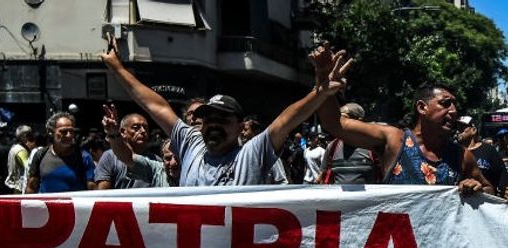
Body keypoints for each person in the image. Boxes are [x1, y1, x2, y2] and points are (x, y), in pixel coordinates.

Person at [101, 36, 339, 186]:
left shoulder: (251, 155)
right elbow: (156, 105)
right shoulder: (191, 144)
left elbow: (286, 120)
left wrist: (319, 93)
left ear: (240, 126)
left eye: (222, 119)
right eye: (207, 119)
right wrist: (117, 69)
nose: (213, 124)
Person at [312, 48, 491, 194]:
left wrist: (477, 189)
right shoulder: (394, 140)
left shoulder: (461, 156)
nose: (453, 110)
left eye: (455, 105)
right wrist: (324, 87)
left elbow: (489, 189)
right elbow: (334, 124)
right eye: (445, 104)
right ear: (422, 108)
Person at [26, 112, 96, 193]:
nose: (69, 135)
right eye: (64, 131)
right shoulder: (40, 155)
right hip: (45, 205)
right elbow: (31, 187)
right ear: (51, 132)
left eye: (71, 131)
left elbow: (92, 189)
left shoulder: (84, 157)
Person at [98, 112, 166, 188]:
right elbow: (103, 193)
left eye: (146, 127)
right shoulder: (110, 157)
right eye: (136, 128)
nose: (143, 131)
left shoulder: (156, 161)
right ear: (123, 132)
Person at [456, 116, 508, 193]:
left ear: (474, 130)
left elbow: (503, 178)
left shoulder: (488, 150)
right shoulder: (454, 152)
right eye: (457, 128)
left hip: (485, 200)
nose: (458, 131)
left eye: (462, 128)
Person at [5, 125, 35, 193]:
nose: (31, 136)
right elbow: (29, 168)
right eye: (29, 134)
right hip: (20, 187)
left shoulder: (14, 147)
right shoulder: (21, 150)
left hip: (14, 185)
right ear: (23, 136)